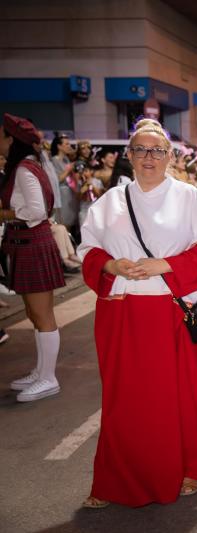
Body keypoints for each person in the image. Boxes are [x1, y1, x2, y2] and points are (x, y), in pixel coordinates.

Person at [77, 118, 197, 508]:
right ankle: (116, 479)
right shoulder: (108, 202)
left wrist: (166, 265)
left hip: (169, 313)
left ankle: (185, 467)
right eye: (141, 150)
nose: (149, 157)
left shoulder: (189, 198)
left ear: (170, 156)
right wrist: (110, 267)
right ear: (129, 156)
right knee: (122, 400)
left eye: (157, 150)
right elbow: (88, 251)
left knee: (176, 397)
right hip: (120, 313)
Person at [0, 114, 66, 402]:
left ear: (11, 140)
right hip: (28, 244)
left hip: (32, 243)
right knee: (35, 314)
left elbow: (37, 211)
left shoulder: (25, 170)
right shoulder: (25, 167)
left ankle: (48, 377)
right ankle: (41, 371)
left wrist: (5, 214)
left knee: (42, 314)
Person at [49, 133, 79, 232]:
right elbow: (56, 180)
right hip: (61, 195)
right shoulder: (53, 161)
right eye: (66, 144)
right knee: (63, 224)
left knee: (69, 224)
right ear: (59, 146)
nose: (69, 146)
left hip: (70, 195)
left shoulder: (66, 160)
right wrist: (68, 170)